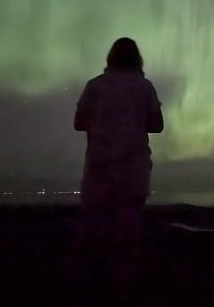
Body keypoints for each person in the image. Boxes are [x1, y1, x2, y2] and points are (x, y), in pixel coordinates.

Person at [72, 37, 164, 301]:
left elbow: (79, 123)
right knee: (127, 240)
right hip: (132, 172)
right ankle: (122, 293)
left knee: (93, 236)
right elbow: (157, 125)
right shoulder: (144, 87)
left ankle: (90, 293)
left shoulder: (95, 86)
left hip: (99, 169)